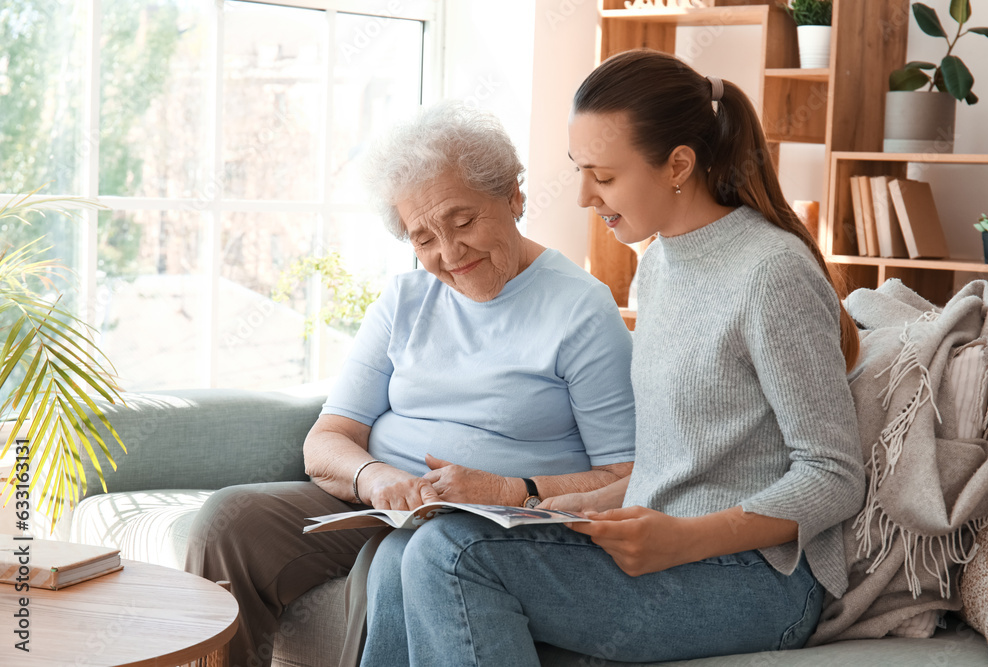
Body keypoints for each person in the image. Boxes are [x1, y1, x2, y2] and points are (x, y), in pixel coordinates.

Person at [359, 49, 867, 666]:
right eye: (578, 171)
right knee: (398, 554)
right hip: (663, 542)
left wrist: (682, 539)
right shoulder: (657, 265)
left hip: (759, 581)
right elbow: (676, 462)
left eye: (601, 176)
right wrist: (557, 506)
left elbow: (835, 476)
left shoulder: (771, 272)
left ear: (678, 165)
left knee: (453, 554)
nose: (580, 197)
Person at [184, 101, 636, 667]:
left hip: (491, 524)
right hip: (386, 503)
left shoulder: (581, 309)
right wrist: (376, 478)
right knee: (230, 521)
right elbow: (327, 438)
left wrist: (506, 490)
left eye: (464, 221)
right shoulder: (404, 300)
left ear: (514, 198)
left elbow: (627, 475)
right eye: (424, 238)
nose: (449, 254)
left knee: (410, 555)